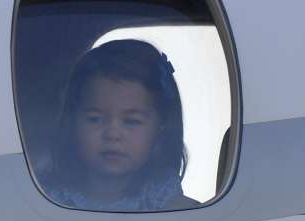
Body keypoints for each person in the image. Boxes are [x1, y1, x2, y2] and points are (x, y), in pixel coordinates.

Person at [43, 39, 198, 211]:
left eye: (131, 121)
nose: (113, 134)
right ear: (72, 122)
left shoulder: (166, 204)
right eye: (95, 119)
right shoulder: (48, 197)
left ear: (160, 127)